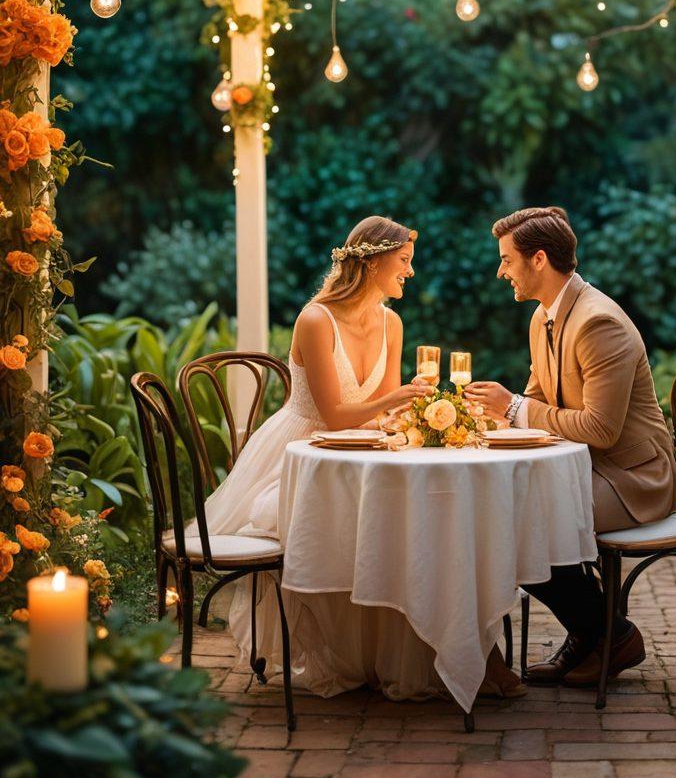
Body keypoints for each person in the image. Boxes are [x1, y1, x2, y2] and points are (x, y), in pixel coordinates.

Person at [199, 215, 523, 700]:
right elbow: (333, 416)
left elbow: (384, 408)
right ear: (372, 263)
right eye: (404, 261)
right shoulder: (315, 319)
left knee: (416, 522)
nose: (410, 272)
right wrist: (399, 402)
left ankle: (453, 649)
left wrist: (429, 420)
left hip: (363, 449)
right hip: (307, 455)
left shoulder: (392, 322)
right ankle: (388, 651)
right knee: (383, 523)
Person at [466, 206, 676, 688]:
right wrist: (485, 424)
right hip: (588, 470)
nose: (500, 271)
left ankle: (611, 635)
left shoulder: (597, 322)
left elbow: (601, 429)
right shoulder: (542, 318)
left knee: (520, 525)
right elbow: (538, 401)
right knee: (507, 512)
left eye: (507, 260)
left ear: (539, 259)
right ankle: (595, 636)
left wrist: (510, 408)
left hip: (633, 477)